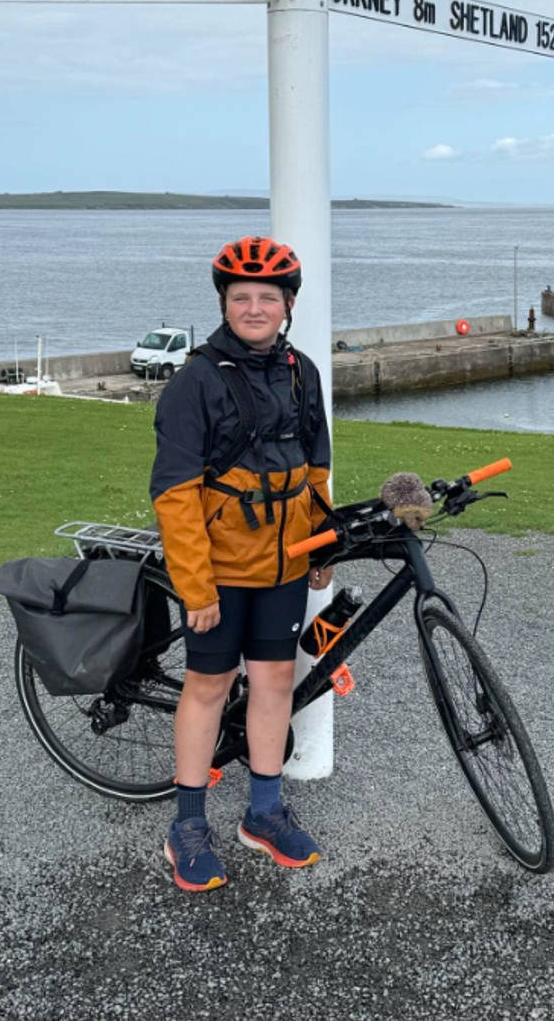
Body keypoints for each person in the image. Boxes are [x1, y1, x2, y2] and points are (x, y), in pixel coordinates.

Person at [150, 237, 334, 892]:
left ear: (287, 305)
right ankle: (188, 825)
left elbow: (316, 470)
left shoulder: (300, 373)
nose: (255, 307)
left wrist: (321, 547)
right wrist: (195, 587)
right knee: (208, 686)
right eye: (241, 297)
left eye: (268, 297)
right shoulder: (195, 381)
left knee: (275, 683)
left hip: (283, 563)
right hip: (220, 571)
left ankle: (263, 812)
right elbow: (175, 495)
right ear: (224, 303)